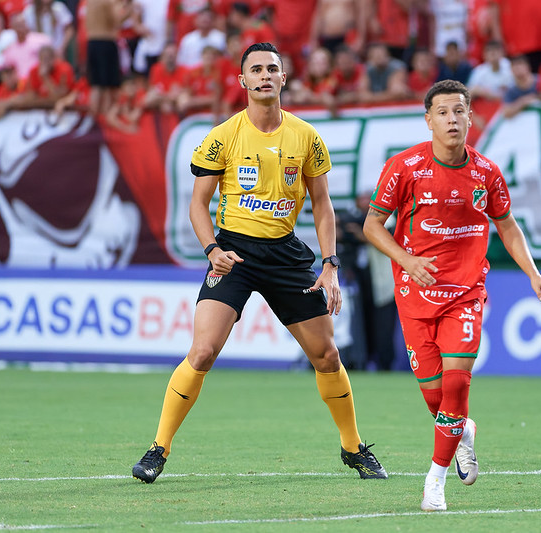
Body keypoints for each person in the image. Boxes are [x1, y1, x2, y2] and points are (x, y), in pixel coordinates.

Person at [131, 42, 388, 484]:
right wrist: (212, 249)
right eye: (257, 69)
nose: (266, 75)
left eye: (273, 68)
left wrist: (330, 264)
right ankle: (159, 448)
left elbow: (323, 206)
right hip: (233, 253)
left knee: (327, 355)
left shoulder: (306, 137)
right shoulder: (222, 137)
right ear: (243, 81)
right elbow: (198, 205)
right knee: (203, 350)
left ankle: (352, 448)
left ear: (284, 79)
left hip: (286, 253)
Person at [363, 79, 541, 511]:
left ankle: (435, 481)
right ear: (428, 119)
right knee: (436, 399)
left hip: (466, 293)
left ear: (471, 117)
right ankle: (463, 431)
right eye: (444, 112)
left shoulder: (486, 172)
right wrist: (407, 260)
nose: (453, 119)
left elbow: (506, 225)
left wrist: (534, 274)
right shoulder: (405, 167)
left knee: (455, 382)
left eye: (460, 111)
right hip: (414, 294)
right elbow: (373, 225)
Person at [85, 0, 127, 115]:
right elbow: (116, 21)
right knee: (109, 85)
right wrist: (127, 11)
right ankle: (106, 119)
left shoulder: (90, 2)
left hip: (92, 42)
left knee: (96, 84)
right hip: (106, 42)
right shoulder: (108, 2)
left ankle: (93, 117)